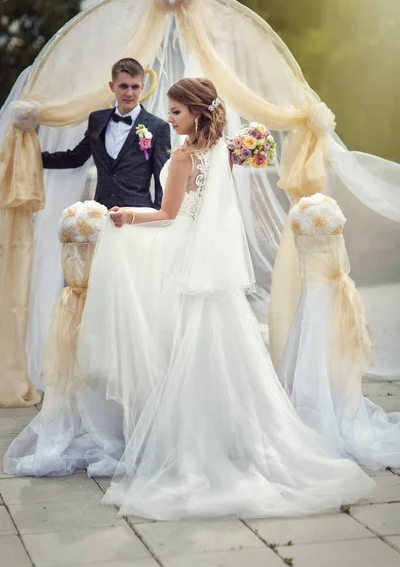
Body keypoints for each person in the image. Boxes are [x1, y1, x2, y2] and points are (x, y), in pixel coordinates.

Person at [78, 77, 374, 520]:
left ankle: (197, 441)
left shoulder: (182, 156)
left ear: (196, 112)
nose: (170, 118)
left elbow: (167, 215)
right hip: (210, 266)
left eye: (176, 111)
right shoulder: (219, 151)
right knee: (222, 351)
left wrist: (124, 216)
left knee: (186, 349)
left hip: (184, 259)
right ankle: (230, 436)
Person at [41, 58, 170, 210]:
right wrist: (33, 158)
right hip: (100, 213)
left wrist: (157, 216)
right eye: (123, 86)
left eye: (135, 87)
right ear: (112, 86)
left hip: (137, 214)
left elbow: (163, 176)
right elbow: (76, 158)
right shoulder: (97, 120)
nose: (129, 93)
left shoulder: (158, 127)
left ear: (142, 87)